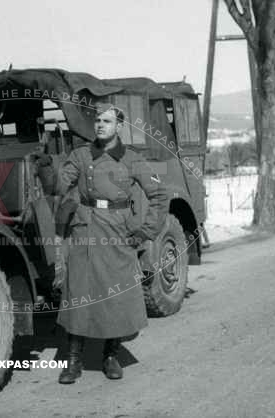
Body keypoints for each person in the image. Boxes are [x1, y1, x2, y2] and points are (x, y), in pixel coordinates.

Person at [53, 103, 168, 384]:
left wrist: (145, 233)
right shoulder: (80, 155)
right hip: (84, 231)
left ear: (119, 126)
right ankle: (73, 360)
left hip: (118, 231)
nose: (100, 125)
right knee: (77, 293)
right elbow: (60, 188)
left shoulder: (132, 159)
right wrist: (54, 176)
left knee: (116, 296)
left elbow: (159, 195)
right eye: (97, 121)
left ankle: (110, 355)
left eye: (107, 121)